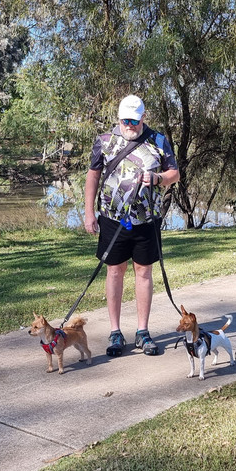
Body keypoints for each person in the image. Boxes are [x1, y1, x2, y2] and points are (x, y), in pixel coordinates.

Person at [84, 94, 180, 357]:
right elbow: (92, 177)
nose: (130, 126)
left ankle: (142, 332)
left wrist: (157, 177)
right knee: (114, 271)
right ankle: (115, 332)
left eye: (135, 121)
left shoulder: (158, 140)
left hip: (146, 219)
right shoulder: (104, 142)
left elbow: (175, 174)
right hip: (112, 219)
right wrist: (89, 213)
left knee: (144, 272)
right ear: (118, 118)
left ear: (143, 118)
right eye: (126, 120)